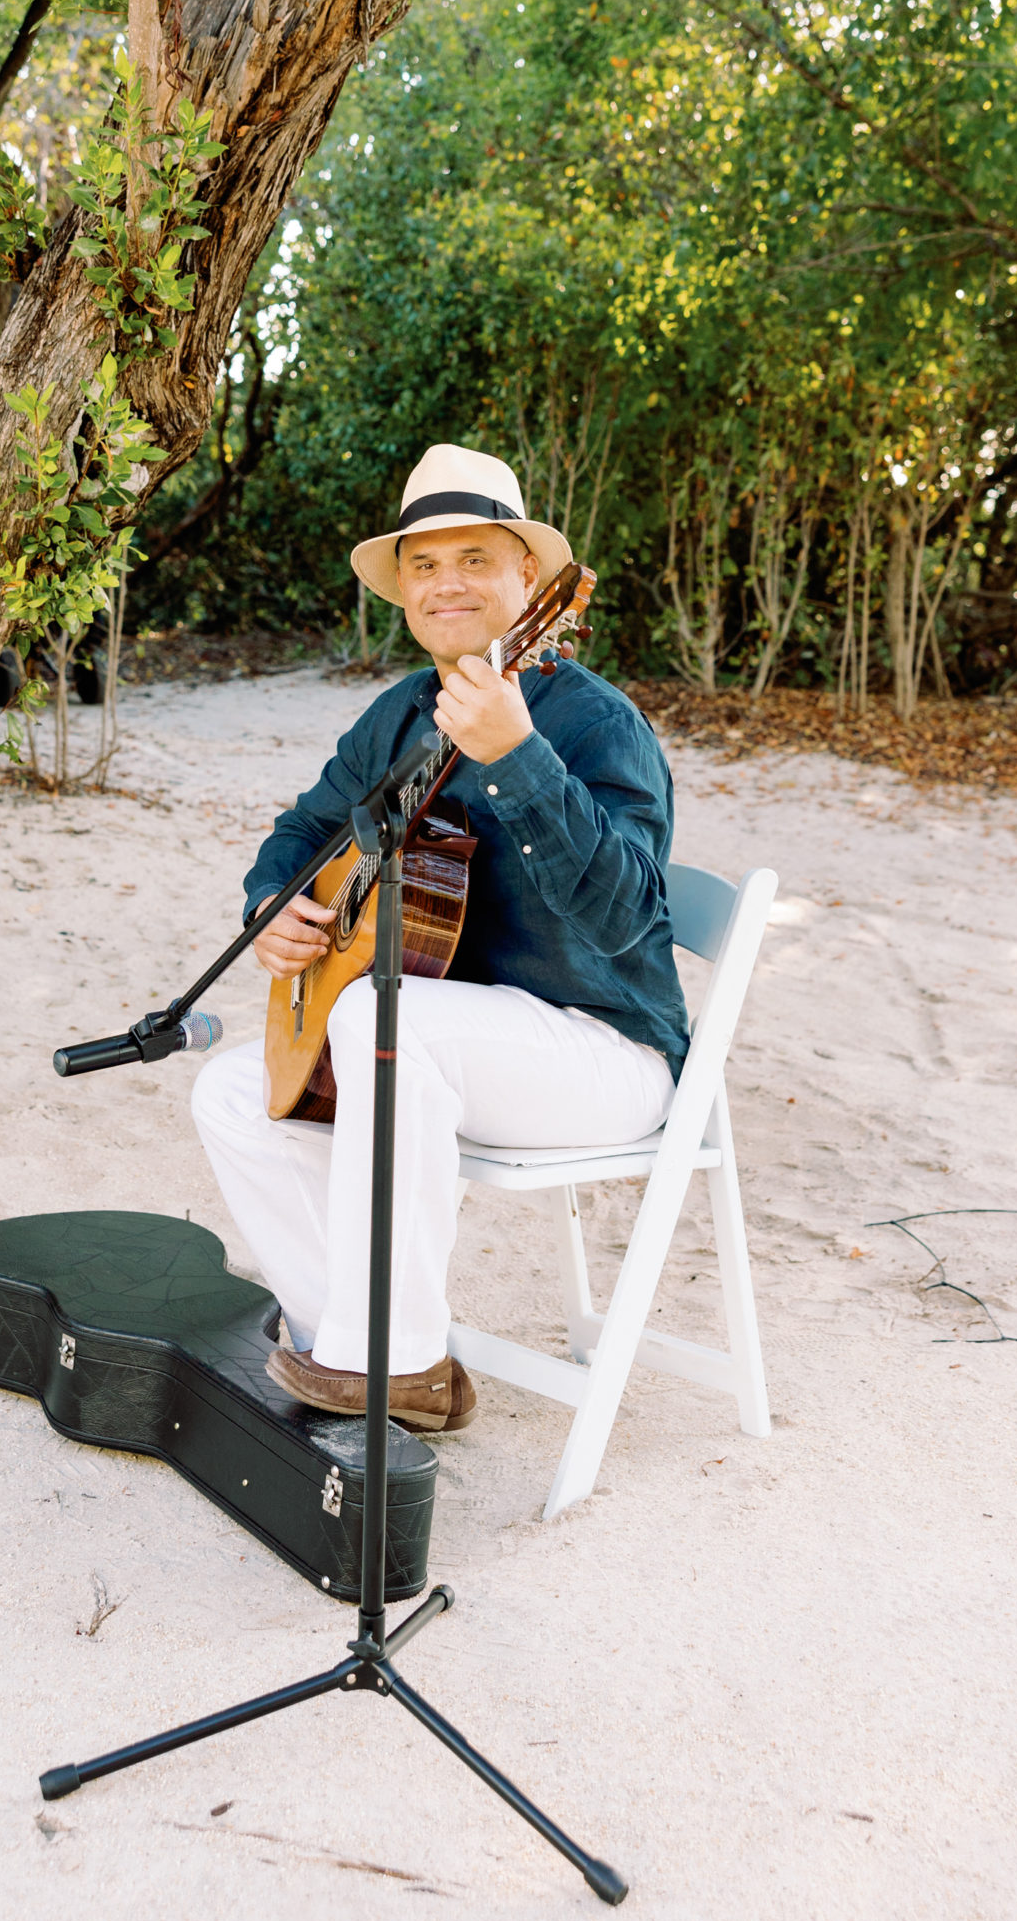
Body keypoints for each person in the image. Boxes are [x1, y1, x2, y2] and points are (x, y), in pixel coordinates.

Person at [190, 444, 689, 1435]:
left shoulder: (597, 724)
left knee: (383, 1015)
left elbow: (629, 913)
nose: (445, 582)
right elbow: (302, 832)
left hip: (603, 1052)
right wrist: (268, 905)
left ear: (528, 580)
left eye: (473, 558)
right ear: (402, 592)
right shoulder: (400, 715)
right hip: (435, 1047)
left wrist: (517, 758)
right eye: (422, 564)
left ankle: (388, 1354)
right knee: (231, 1092)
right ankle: (362, 1340)